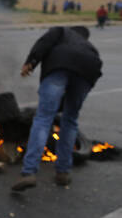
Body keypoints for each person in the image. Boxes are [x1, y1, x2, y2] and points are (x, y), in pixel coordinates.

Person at [12, 27, 102, 191]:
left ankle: (29, 173)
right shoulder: (89, 48)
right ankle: (63, 173)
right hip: (88, 71)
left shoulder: (62, 31)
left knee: (43, 119)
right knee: (70, 120)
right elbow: (96, 72)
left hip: (60, 65)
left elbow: (44, 42)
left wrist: (30, 62)